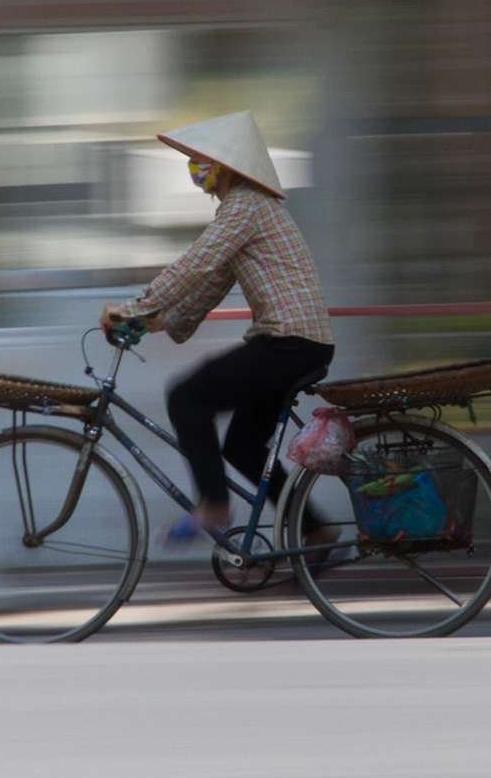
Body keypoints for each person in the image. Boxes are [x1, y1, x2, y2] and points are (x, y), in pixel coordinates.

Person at [98, 111, 335, 541]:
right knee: (242, 448)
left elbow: (197, 263)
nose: (193, 167)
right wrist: (151, 322)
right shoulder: (245, 210)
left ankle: (214, 504)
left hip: (289, 342)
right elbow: (209, 285)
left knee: (187, 397)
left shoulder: (245, 206)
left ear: (225, 165)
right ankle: (315, 530)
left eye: (199, 158)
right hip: (297, 344)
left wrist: (133, 307)